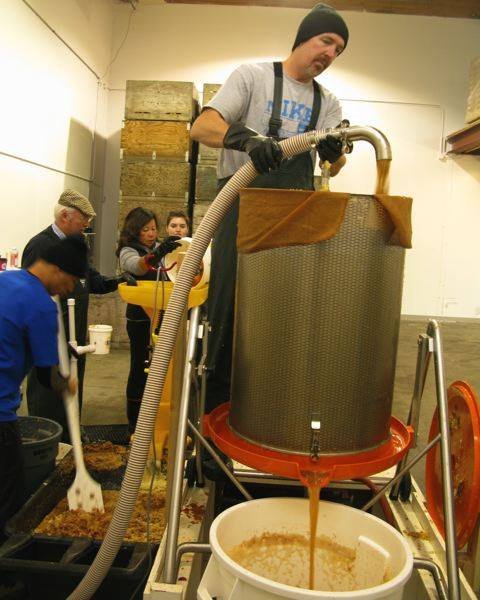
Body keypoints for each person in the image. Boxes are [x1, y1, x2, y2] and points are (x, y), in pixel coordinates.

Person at [190, 3, 349, 412]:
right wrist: (244, 139)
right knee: (230, 309)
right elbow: (201, 126)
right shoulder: (252, 77)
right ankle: (218, 418)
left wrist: (334, 151)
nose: (330, 54)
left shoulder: (327, 102)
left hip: (292, 216)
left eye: (338, 51)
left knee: (286, 313)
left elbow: (338, 160)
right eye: (326, 41)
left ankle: (275, 409)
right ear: (303, 37)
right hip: (240, 208)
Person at [21, 189, 128, 442]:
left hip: (73, 341)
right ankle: (47, 445)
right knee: (48, 396)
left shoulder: (76, 246)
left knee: (70, 395)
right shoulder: (40, 246)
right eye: (84, 220)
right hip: (50, 340)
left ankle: (69, 441)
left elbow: (94, 282)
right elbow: (34, 299)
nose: (87, 225)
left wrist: (121, 280)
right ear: (66, 216)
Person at [0, 235, 87, 532]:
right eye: (71, 281)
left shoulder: (7, 280)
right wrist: (67, 383)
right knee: (8, 494)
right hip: (0, 413)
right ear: (57, 270)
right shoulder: (42, 305)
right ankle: (8, 569)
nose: (70, 289)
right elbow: (46, 377)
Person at [116, 207, 182, 432]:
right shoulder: (128, 250)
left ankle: (154, 416)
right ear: (135, 231)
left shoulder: (157, 248)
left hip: (161, 314)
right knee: (140, 365)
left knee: (159, 368)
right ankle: (134, 421)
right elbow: (136, 265)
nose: (151, 234)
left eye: (154, 229)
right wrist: (157, 253)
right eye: (146, 230)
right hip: (140, 318)